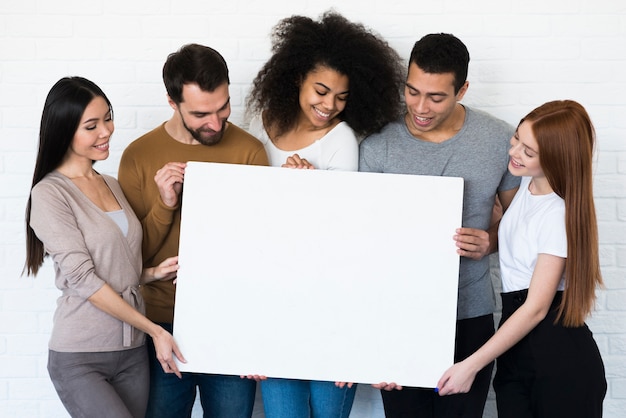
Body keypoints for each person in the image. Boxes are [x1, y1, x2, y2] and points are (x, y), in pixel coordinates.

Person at [245, 11, 405, 418]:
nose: (330, 105)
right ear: (297, 76)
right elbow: (246, 214)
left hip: (329, 303)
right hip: (273, 299)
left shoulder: (341, 139)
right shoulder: (258, 128)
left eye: (342, 97)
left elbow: (345, 231)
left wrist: (314, 187)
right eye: (321, 90)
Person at [359, 33, 521, 417]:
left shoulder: (498, 139)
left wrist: (490, 242)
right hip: (397, 313)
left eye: (436, 97)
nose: (420, 107)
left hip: (470, 314)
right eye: (412, 91)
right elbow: (362, 240)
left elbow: (519, 225)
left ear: (462, 89)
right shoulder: (378, 143)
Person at [118, 44, 269, 418]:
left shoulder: (249, 152)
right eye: (201, 114)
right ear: (173, 103)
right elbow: (131, 260)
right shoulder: (138, 155)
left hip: (230, 321)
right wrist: (165, 205)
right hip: (159, 324)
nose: (216, 124)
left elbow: (263, 249)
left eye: (224, 108)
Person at [24, 76, 185, 418]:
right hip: (81, 357)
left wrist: (154, 272)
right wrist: (155, 330)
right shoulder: (50, 194)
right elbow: (84, 280)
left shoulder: (110, 184)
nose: (106, 131)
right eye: (91, 126)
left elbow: (114, 266)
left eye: (107, 118)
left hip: (131, 354)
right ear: (65, 130)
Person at [436, 100, 607, 417]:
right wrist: (488, 240)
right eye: (516, 138)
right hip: (519, 351)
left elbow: (536, 308)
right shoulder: (528, 187)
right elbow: (516, 238)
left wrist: (470, 365)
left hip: (557, 357)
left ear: (557, 158)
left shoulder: (558, 213)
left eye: (529, 152)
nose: (514, 152)